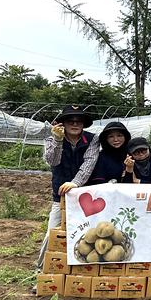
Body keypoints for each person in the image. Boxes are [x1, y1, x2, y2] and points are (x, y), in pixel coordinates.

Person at [39, 105, 100, 269]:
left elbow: (89, 163)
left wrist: (75, 183)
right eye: (70, 121)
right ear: (63, 124)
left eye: (79, 121)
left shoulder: (92, 139)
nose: (75, 124)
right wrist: (58, 141)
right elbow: (52, 161)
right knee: (53, 232)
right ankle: (41, 270)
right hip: (60, 196)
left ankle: (81, 269)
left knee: (87, 232)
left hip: (84, 194)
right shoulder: (52, 139)